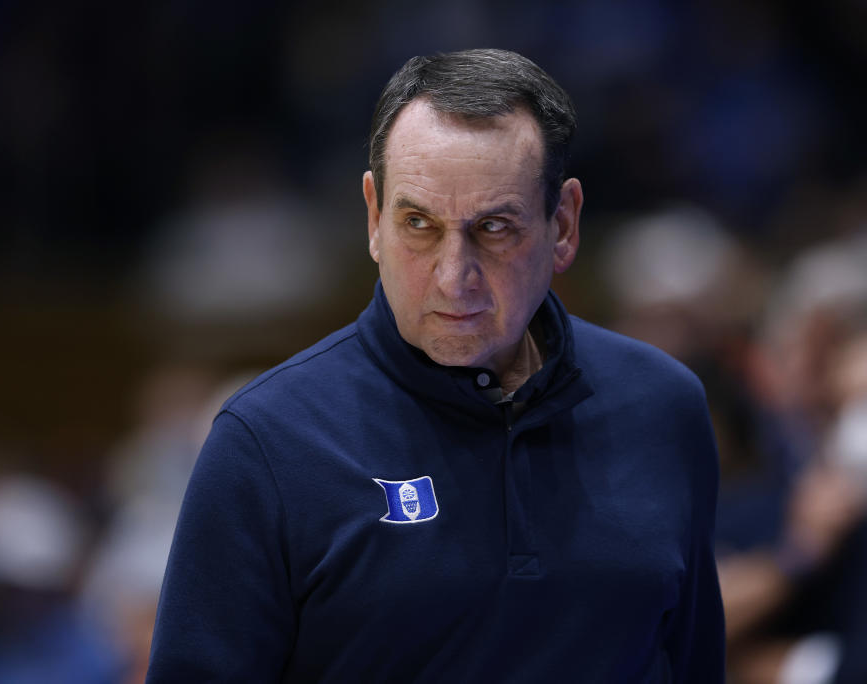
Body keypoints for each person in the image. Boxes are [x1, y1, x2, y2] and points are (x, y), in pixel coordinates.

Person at [146, 48, 725, 682]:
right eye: (418, 223)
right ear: (373, 217)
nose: (454, 278)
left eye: (495, 227)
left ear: (563, 223)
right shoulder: (267, 443)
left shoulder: (664, 406)